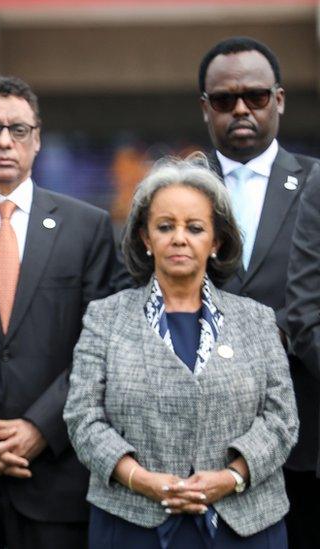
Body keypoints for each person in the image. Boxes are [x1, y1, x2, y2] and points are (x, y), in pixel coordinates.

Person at [0, 76, 125, 549]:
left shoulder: (89, 226)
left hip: (55, 479)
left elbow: (102, 344)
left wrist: (41, 426)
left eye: (18, 130)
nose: (3, 141)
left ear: (37, 139)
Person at [64, 157, 298, 548]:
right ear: (144, 238)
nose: (179, 239)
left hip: (245, 527)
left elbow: (281, 420)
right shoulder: (105, 318)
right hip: (132, 524)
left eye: (195, 228)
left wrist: (232, 477)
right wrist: (141, 479)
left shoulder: (257, 320)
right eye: (165, 226)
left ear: (216, 241)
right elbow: (82, 417)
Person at [198, 36, 320, 548]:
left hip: (305, 432)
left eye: (257, 96)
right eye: (225, 100)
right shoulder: (180, 189)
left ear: (281, 99)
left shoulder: (316, 182)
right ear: (206, 109)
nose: (241, 108)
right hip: (205, 440)